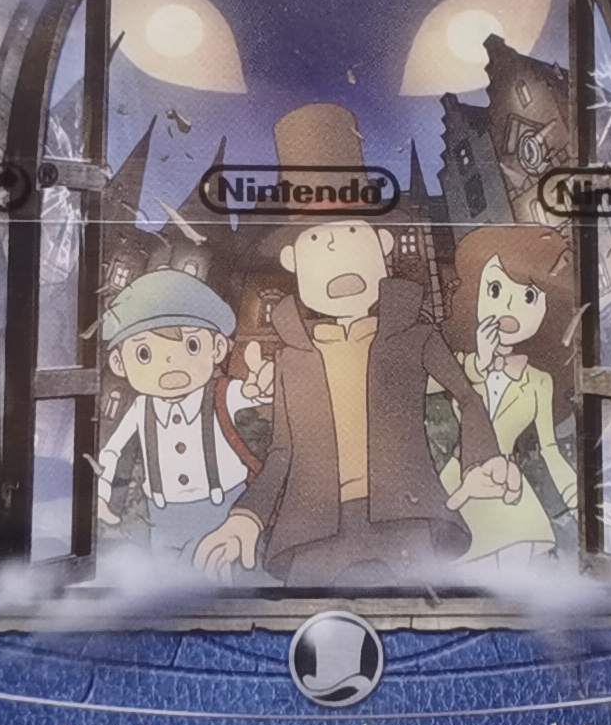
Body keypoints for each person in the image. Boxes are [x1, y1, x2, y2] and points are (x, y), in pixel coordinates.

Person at [192, 105, 522, 587]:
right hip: (313, 534)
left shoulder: (415, 334)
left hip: (406, 521)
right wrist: (246, 518)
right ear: (293, 260)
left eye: (352, 234)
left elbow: (467, 397)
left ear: (383, 245)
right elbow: (282, 453)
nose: (339, 255)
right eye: (318, 242)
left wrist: (483, 460)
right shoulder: (292, 360)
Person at [93, 268, 277, 568]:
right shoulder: (140, 409)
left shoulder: (222, 393)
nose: (170, 362)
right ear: (119, 362)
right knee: (170, 577)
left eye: (191, 346)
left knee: (222, 574)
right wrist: (103, 497)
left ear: (217, 348)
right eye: (144, 353)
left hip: (224, 507)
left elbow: (252, 394)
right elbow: (114, 453)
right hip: (163, 516)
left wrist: (263, 384)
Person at [440, 225, 581, 571]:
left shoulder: (539, 382)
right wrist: (480, 363)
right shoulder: (457, 365)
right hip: (461, 480)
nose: (508, 307)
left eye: (529, 296)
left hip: (509, 490)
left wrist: (579, 499)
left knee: (517, 579)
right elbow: (414, 386)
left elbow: (550, 450)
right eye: (495, 289)